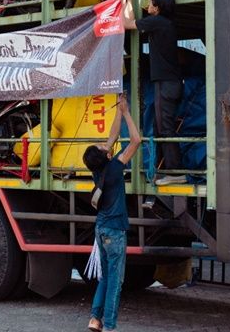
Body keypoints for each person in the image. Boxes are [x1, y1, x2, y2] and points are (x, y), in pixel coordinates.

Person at [118, 0, 187, 185]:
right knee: (161, 126)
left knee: (165, 127)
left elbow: (125, 22)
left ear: (157, 8)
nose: (148, 4)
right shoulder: (163, 23)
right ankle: (167, 170)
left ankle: (176, 172)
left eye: (150, 2)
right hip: (169, 83)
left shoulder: (158, 22)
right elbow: (131, 21)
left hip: (166, 83)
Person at [83, 95, 141, 332]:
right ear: (106, 155)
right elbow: (136, 140)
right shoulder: (116, 167)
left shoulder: (100, 170)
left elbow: (113, 136)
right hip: (115, 231)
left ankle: (95, 320)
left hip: (101, 229)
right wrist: (127, 113)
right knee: (115, 282)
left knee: (105, 278)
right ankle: (110, 326)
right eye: (102, 146)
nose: (104, 143)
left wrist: (119, 109)